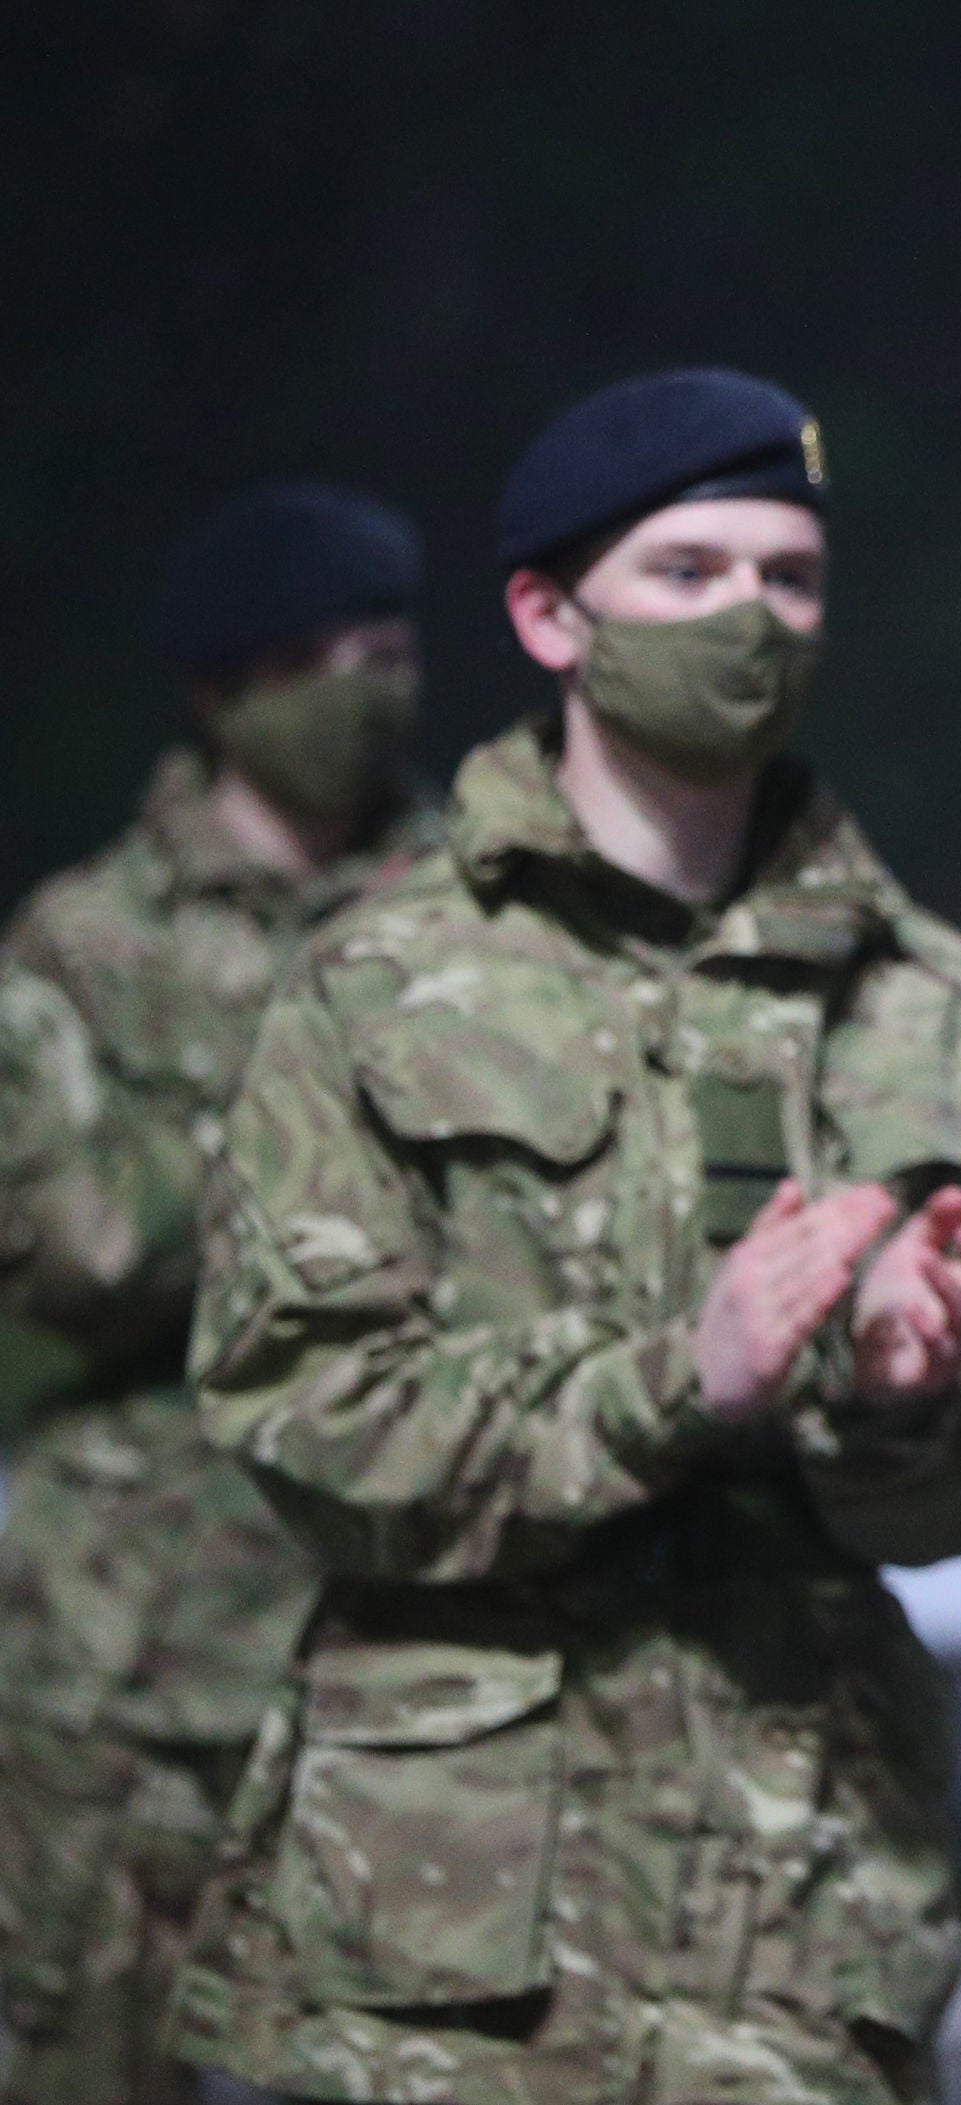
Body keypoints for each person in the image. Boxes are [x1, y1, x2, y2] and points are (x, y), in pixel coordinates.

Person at [165, 368, 961, 2103]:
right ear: (547, 611)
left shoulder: (918, 997)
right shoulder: (384, 980)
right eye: (688, 570)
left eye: (789, 576)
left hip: (801, 1927)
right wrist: (677, 1381)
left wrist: (906, 1401)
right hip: (449, 1950)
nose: (751, 613)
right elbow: (300, 1419)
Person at [0, 483, 438, 2105]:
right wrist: (324, 1117)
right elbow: (77, 1250)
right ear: (217, 689)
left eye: (385, 646)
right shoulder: (91, 944)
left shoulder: (483, 911)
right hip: (137, 1653)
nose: (359, 686)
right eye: (309, 657)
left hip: (422, 1636)